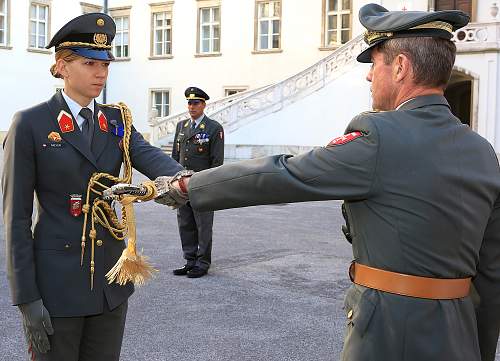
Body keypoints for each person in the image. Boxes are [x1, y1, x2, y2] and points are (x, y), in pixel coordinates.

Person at [110, 3, 500, 361]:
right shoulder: (483, 152)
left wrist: (185, 187)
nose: (369, 73)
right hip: (458, 334)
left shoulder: (381, 137)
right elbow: (492, 273)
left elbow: (283, 173)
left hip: (389, 333)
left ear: (399, 68)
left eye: (376, 62)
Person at [2, 13, 183, 361]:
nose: (101, 72)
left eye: (105, 64)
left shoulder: (116, 121)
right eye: (89, 63)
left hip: (110, 285)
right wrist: (26, 298)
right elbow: (16, 221)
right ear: (62, 67)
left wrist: (188, 182)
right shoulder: (31, 124)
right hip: (57, 287)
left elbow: (155, 160)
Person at [170, 87, 224, 278]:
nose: (192, 107)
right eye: (190, 103)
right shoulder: (182, 126)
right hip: (183, 186)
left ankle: (202, 263)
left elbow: (217, 162)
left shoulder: (213, 128)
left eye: (196, 103)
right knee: (185, 223)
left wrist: (210, 185)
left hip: (202, 185)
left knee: (203, 225)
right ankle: (190, 260)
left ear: (203, 105)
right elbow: (175, 157)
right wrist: (173, 181)